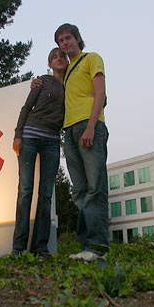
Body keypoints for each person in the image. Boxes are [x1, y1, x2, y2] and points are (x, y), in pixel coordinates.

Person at [54, 23, 109, 262]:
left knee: (95, 186)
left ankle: (98, 248)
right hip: (69, 132)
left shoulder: (91, 59)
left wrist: (90, 127)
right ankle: (87, 246)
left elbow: (100, 93)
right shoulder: (66, 73)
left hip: (89, 126)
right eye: (60, 41)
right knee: (80, 191)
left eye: (68, 38)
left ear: (77, 39)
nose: (65, 43)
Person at [12, 48, 68, 258]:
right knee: (25, 190)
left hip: (52, 143)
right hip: (30, 138)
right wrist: (18, 134)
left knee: (46, 195)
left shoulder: (71, 85)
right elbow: (26, 108)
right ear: (50, 63)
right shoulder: (42, 81)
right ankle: (18, 248)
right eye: (54, 57)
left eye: (61, 56)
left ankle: (40, 248)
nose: (59, 59)